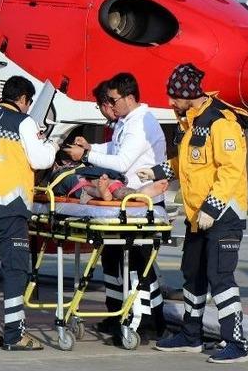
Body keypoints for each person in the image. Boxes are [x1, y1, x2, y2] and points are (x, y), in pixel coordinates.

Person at [139, 63, 248, 364]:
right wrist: (156, 171)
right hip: (196, 216)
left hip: (222, 215)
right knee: (193, 275)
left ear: (189, 94)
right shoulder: (190, 122)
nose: (171, 102)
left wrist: (212, 208)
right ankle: (191, 336)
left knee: (220, 277)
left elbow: (231, 169)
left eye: (174, 96)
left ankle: (236, 343)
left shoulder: (222, 122)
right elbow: (185, 164)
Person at [63, 73, 167, 341]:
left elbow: (121, 161)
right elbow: (114, 146)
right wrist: (91, 146)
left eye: (112, 99)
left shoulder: (141, 124)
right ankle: (116, 314)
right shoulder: (127, 121)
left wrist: (85, 155)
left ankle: (150, 322)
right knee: (112, 258)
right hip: (125, 203)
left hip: (142, 204)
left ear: (129, 97)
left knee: (138, 264)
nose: (109, 105)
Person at [0, 75, 58, 351]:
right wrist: (51, 145)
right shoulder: (23, 122)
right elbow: (40, 159)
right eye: (29, 104)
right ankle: (15, 335)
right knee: (15, 271)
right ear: (23, 100)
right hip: (8, 208)